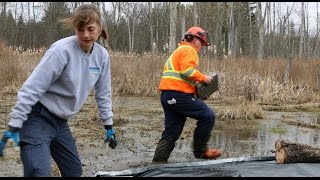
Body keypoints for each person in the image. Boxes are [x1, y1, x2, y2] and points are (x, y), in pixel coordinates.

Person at [0, 4, 117, 177]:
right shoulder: (61, 51)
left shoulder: (102, 56)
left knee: (74, 172)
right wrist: (15, 124)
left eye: (90, 29)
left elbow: (103, 93)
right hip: (36, 118)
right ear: (75, 29)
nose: (85, 34)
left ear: (100, 28)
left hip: (60, 123)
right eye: (80, 29)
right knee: (38, 172)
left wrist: (108, 125)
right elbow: (31, 88)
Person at [152, 26, 222, 163]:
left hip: (169, 96)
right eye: (201, 42)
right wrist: (204, 78)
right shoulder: (189, 50)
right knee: (208, 116)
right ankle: (201, 152)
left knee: (171, 132)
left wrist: (197, 92)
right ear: (193, 39)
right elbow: (187, 71)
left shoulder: (179, 51)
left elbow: (180, 79)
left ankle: (158, 163)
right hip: (177, 96)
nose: (201, 46)